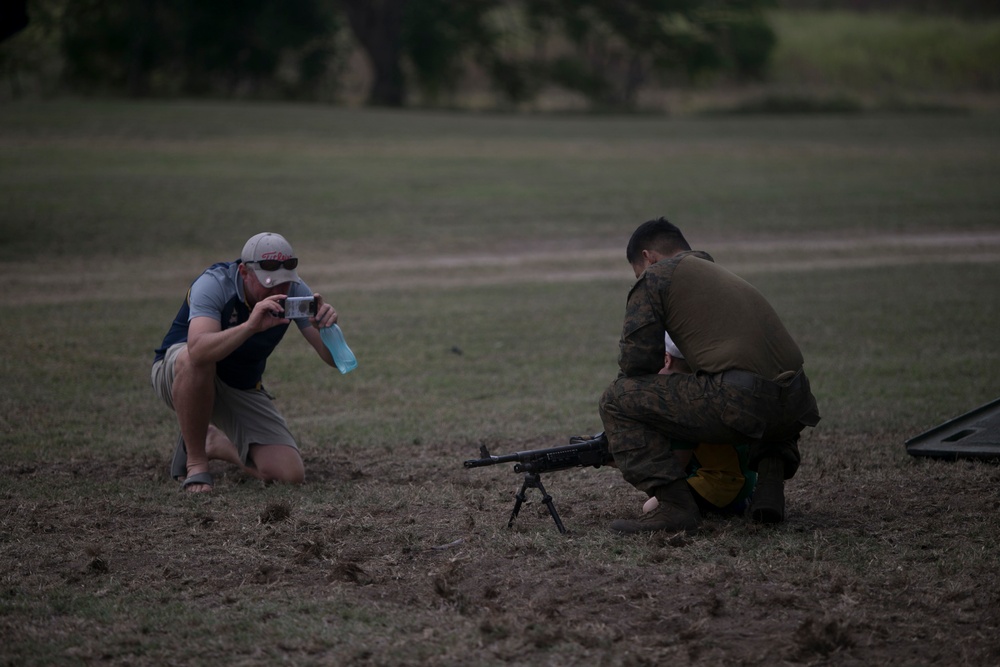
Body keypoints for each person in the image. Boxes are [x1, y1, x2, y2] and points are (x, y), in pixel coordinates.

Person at [600, 217, 820, 534]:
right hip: (796, 400)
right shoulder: (720, 276)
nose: (641, 277)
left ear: (648, 258)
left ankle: (676, 507)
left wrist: (639, 432)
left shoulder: (657, 277)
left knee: (616, 400)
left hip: (743, 402)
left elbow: (637, 363)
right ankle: (769, 491)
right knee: (766, 388)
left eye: (639, 271)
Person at [151, 232, 341, 493]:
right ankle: (196, 463)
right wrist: (250, 327)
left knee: (289, 474)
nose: (279, 291)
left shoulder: (296, 291)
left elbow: (334, 360)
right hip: (178, 374)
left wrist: (326, 330)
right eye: (269, 283)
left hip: (239, 386)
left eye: (285, 284)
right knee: (196, 358)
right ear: (244, 272)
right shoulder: (213, 284)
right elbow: (197, 351)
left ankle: (211, 441)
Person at [641, 332, 756, 517]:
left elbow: (677, 465)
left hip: (722, 483)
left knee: (650, 508)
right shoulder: (709, 385)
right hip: (745, 477)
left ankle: (733, 507)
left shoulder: (681, 403)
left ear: (666, 360)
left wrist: (634, 460)